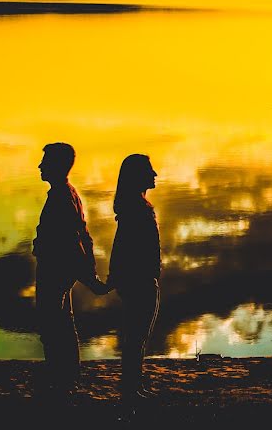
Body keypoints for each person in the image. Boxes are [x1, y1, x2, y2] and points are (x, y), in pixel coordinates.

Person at [33, 142, 108, 399]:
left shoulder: (63, 197)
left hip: (55, 270)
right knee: (62, 322)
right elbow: (84, 235)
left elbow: (73, 238)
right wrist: (89, 273)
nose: (40, 166)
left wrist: (88, 275)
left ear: (57, 165)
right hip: (61, 269)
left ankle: (61, 378)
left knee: (52, 323)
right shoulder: (67, 193)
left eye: (45, 161)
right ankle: (68, 375)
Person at [107, 154, 161, 402]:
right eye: (149, 170)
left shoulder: (136, 205)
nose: (155, 174)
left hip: (137, 280)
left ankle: (133, 385)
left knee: (136, 336)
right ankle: (131, 388)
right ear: (137, 176)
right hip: (139, 282)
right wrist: (118, 276)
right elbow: (123, 246)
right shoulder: (136, 209)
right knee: (136, 337)